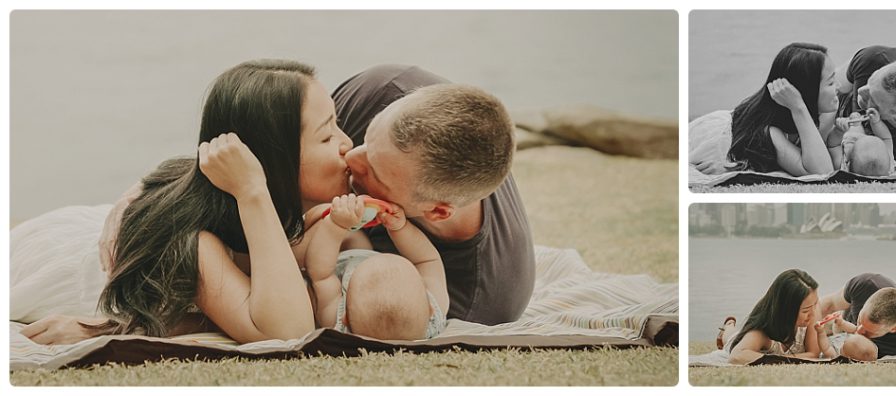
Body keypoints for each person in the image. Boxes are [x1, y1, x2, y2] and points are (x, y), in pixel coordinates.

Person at [15, 59, 356, 344]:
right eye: (327, 136)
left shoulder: (292, 209)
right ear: (271, 158)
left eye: (337, 124)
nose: (346, 142)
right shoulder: (199, 238)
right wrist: (252, 190)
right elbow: (289, 331)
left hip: (114, 224)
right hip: (61, 260)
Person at [331, 65, 534, 325]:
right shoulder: (383, 91)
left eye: (375, 173)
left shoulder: (474, 301)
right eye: (367, 138)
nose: (350, 156)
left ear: (437, 211)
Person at [302, 194, 448, 340]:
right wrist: (400, 228)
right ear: (430, 310)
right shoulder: (436, 312)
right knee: (355, 238)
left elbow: (320, 274)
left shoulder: (335, 319)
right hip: (360, 251)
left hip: (338, 258)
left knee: (345, 237)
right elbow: (427, 260)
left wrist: (335, 226)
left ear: (345, 317)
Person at [725, 42, 842, 176]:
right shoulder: (767, 131)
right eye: (831, 83)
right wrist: (798, 107)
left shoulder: (822, 113)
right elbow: (822, 172)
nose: (838, 86)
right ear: (808, 90)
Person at [719, 269, 831, 364]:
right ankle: (728, 326)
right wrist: (784, 360)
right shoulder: (761, 332)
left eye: (815, 304)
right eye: (805, 310)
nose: (813, 314)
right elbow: (736, 356)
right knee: (731, 337)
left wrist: (778, 359)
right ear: (786, 310)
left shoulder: (811, 312)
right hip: (741, 339)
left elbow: (813, 354)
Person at [818, 273, 896, 358]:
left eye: (868, 332)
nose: (859, 331)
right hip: (840, 321)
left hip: (841, 337)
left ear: (893, 328)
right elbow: (829, 304)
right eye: (860, 320)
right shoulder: (866, 285)